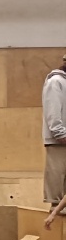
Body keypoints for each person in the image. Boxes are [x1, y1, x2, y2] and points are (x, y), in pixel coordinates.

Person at [43, 55, 66, 206]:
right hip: (59, 142)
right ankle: (55, 217)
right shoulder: (56, 82)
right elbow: (53, 112)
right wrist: (60, 134)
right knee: (57, 191)